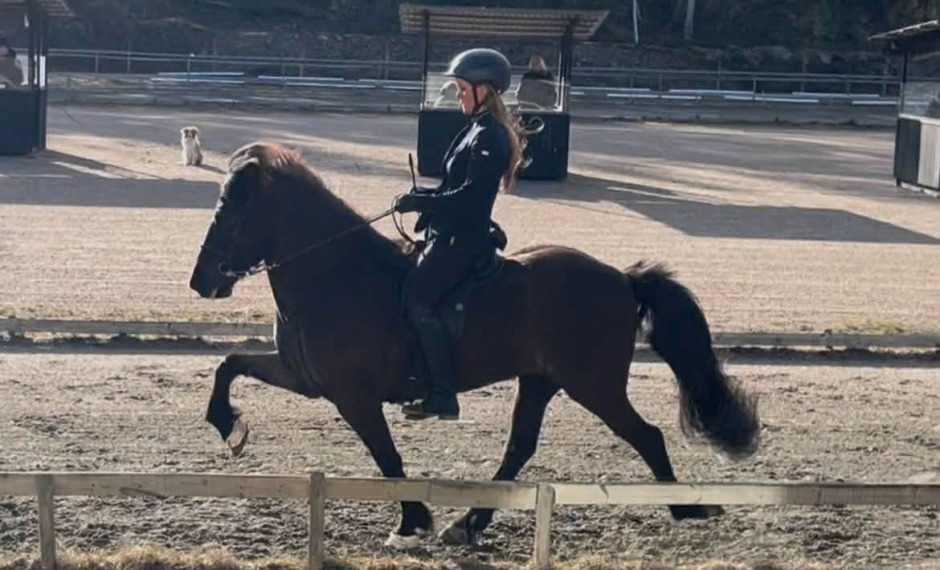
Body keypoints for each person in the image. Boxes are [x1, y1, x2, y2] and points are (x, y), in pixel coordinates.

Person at [394, 48, 526, 421]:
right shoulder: (476, 130)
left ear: (486, 90)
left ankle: (442, 394)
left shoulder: (491, 137)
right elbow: (454, 187)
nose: (457, 95)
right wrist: (423, 200)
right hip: (448, 233)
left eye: (462, 88)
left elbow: (471, 197)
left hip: (462, 242)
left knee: (417, 301)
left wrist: (426, 202)